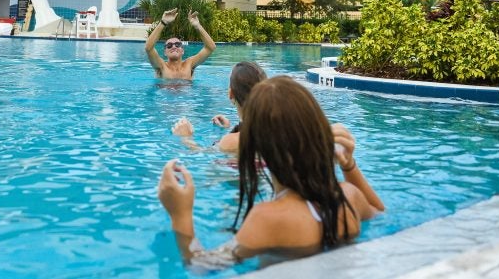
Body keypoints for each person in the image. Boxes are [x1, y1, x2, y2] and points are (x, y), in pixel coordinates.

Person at [158, 76, 384, 267]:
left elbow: (199, 265)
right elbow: (378, 211)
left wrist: (180, 214)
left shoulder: (268, 218)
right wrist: (348, 165)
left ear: (258, 144)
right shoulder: (346, 197)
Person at [171, 60, 267, 153]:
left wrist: (186, 138)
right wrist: (229, 130)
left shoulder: (232, 141)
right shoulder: (274, 130)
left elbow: (204, 156)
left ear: (231, 94)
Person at [144, 8, 216, 79]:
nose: (174, 46)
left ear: (183, 51)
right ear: (165, 52)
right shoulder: (161, 66)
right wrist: (163, 23)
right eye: (169, 45)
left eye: (178, 44)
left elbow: (211, 47)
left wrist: (198, 26)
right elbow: (148, 48)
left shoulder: (189, 64)